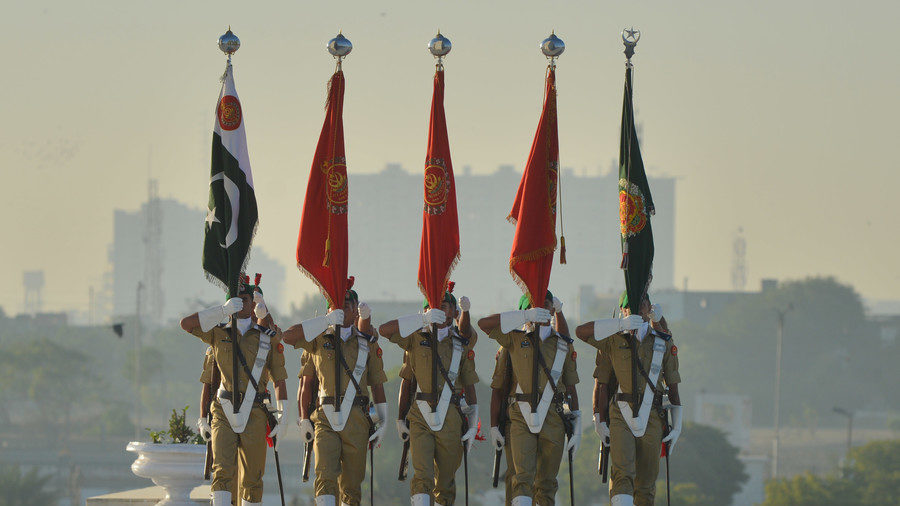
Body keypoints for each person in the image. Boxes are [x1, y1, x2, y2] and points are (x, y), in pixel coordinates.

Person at [179, 276, 288, 506]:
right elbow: (187, 325)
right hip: (222, 410)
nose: (241, 303)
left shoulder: (266, 337)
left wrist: (283, 416)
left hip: (256, 411)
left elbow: (279, 376)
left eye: (245, 299)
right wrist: (221, 311)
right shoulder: (218, 334)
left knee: (253, 476)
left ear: (252, 304)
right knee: (222, 472)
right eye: (235, 299)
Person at [282, 280, 388, 506]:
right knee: (324, 476)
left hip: (358, 418)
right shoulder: (318, 338)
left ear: (356, 309)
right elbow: (290, 341)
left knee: (352, 484)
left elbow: (377, 384)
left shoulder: (366, 343)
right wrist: (302, 419)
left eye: (347, 305)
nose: (342, 309)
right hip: (324, 417)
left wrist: (384, 420)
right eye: (337, 305)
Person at [575, 292, 682, 506]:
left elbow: (672, 385)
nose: (636, 309)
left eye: (642, 304)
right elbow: (581, 333)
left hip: (653, 414)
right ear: (623, 310)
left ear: (649, 307)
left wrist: (677, 425)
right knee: (622, 473)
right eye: (630, 306)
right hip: (620, 412)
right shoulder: (612, 340)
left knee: (647, 480)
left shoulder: (662, 341)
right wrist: (599, 418)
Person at [478, 291, 582, 506]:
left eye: (546, 304)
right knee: (521, 478)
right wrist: (494, 425)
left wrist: (577, 425)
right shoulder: (513, 339)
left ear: (552, 309)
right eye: (536, 306)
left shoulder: (562, 343)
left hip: (554, 417)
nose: (542, 309)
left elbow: (570, 387)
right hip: (520, 415)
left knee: (547, 482)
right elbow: (484, 324)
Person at [379, 285, 479, 506]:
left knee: (445, 480)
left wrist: (473, 424)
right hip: (420, 414)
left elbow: (470, 385)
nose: (438, 310)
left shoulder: (461, 343)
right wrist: (400, 418)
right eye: (431, 307)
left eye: (443, 306)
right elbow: (385, 331)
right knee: (422, 475)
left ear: (453, 311)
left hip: (451, 415)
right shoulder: (416, 337)